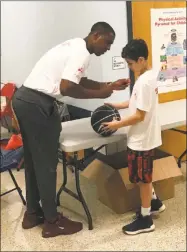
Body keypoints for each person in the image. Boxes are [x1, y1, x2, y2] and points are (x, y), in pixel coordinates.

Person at [11, 22, 130, 239]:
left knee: (32, 161)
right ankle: (52, 222)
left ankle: (32, 214)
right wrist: (99, 95)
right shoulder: (82, 53)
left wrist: (108, 85)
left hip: (24, 99)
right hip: (38, 105)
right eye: (108, 42)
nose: (108, 48)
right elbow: (67, 87)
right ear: (96, 35)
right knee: (46, 165)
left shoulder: (74, 45)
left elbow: (79, 80)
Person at [102, 39, 166, 235]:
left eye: (130, 63)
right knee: (142, 176)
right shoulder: (150, 74)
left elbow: (139, 116)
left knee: (143, 180)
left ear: (140, 59)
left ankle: (146, 219)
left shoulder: (145, 81)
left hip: (142, 139)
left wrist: (115, 125)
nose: (129, 68)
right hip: (143, 137)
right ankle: (154, 202)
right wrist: (115, 105)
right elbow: (134, 103)